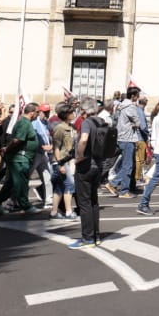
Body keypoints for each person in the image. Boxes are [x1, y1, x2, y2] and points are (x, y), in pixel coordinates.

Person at [69, 97, 114, 249]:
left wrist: (79, 156)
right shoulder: (101, 121)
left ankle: (87, 238)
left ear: (83, 110)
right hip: (99, 165)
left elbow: (83, 139)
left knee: (84, 202)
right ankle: (96, 235)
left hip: (86, 166)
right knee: (94, 201)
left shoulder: (87, 123)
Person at [0, 103, 40, 215]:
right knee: (21, 182)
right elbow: (17, 140)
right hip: (20, 158)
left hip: (21, 158)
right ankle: (25, 205)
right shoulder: (24, 123)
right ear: (32, 112)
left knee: (11, 183)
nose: (38, 114)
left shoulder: (26, 122)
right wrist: (7, 149)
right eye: (37, 112)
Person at [107, 86, 145, 197]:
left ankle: (124, 189)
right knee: (128, 166)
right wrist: (136, 124)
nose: (138, 98)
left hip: (121, 137)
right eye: (137, 96)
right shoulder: (130, 106)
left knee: (126, 164)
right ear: (133, 96)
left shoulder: (120, 105)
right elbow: (138, 122)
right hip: (128, 138)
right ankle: (115, 185)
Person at [49, 102, 78, 219]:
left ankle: (54, 212)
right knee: (70, 185)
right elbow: (56, 147)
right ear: (65, 114)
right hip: (62, 161)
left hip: (69, 160)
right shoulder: (60, 128)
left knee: (60, 187)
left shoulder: (71, 127)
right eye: (71, 112)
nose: (73, 114)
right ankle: (68, 211)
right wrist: (59, 164)